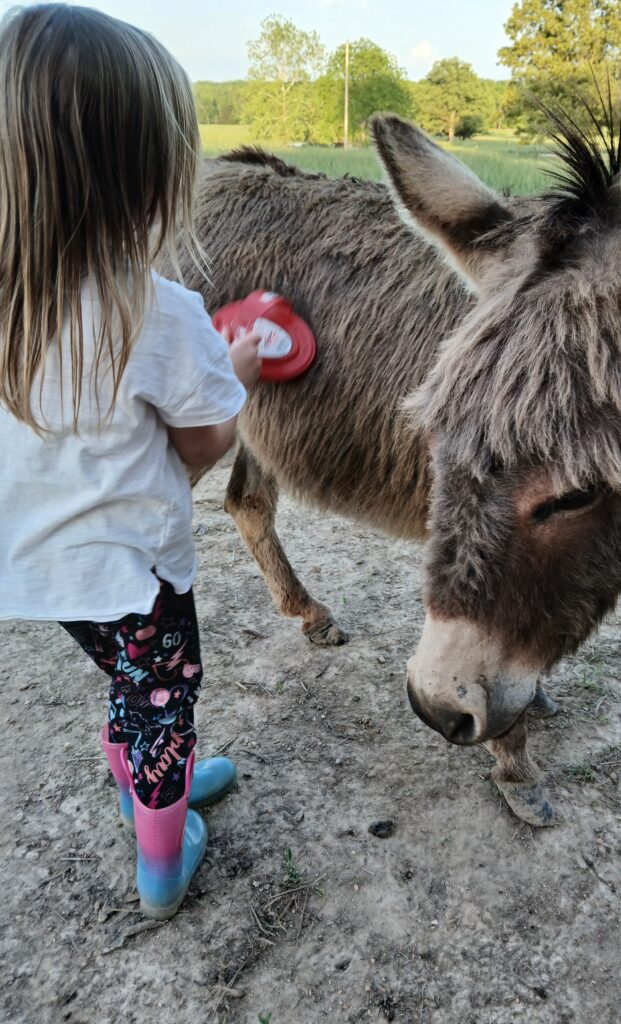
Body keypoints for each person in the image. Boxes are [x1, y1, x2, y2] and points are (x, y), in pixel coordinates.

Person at [0, 4, 262, 920]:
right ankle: (163, 857)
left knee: (130, 687)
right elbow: (205, 442)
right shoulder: (155, 310)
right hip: (137, 574)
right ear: (144, 178)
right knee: (162, 703)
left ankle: (150, 782)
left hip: (41, 573)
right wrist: (240, 365)